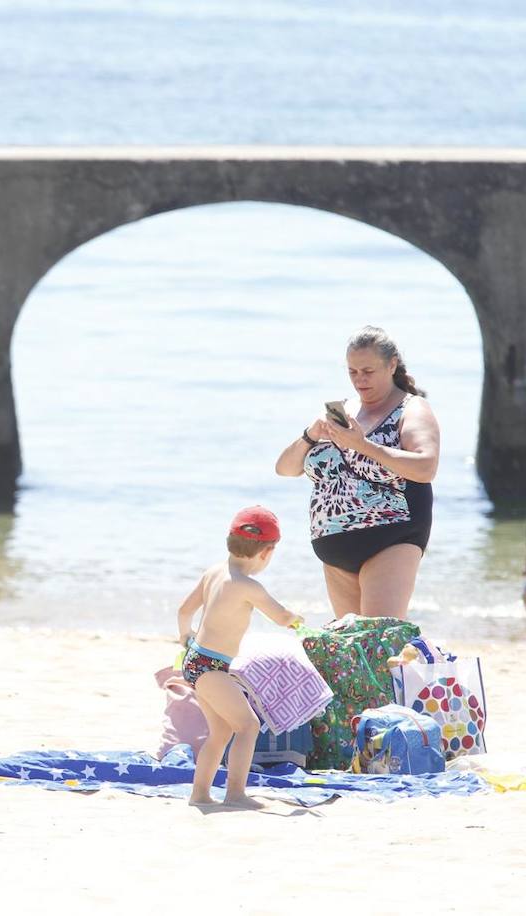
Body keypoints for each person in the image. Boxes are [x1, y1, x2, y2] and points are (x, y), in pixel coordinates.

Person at [274, 326, 440, 619]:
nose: (359, 380)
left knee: (377, 642)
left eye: (368, 371)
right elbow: (285, 469)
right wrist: (310, 436)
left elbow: (426, 467)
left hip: (391, 536)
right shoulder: (345, 410)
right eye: (352, 372)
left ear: (391, 365)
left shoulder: (412, 408)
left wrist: (362, 445)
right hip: (334, 545)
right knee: (352, 653)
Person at [175, 507, 304, 808]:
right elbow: (281, 616)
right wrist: (297, 619)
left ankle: (200, 795)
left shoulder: (214, 572)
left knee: (219, 732)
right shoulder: (249, 587)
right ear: (266, 553)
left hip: (196, 660)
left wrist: (185, 637)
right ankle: (235, 794)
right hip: (211, 667)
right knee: (248, 726)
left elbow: (184, 610)